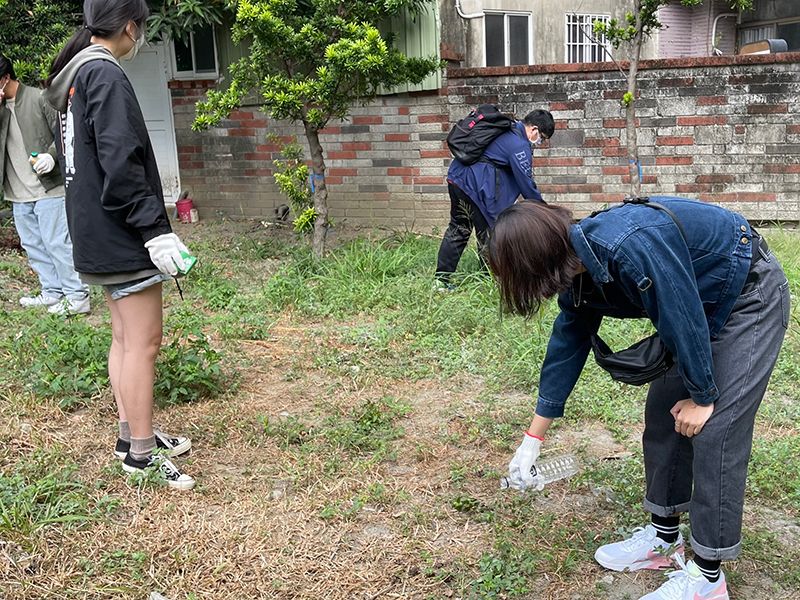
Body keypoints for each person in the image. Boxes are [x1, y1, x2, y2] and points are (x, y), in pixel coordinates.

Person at [488, 197, 789, 599]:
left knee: (715, 430)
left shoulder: (629, 246)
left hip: (747, 296)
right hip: (697, 304)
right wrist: (533, 439)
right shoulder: (577, 266)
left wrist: (703, 396)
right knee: (664, 412)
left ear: (534, 262)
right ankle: (663, 541)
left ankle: (708, 579)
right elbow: (568, 343)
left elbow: (680, 313)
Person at [45, 0, 195, 490]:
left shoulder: (76, 74)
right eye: (142, 29)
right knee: (144, 343)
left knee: (126, 340)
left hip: (93, 229)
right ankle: (142, 456)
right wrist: (154, 231)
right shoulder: (103, 74)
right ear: (130, 26)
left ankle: (130, 435)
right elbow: (121, 161)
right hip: (120, 231)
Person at [0, 54, 90, 314]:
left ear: (5, 79)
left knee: (57, 242)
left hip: (48, 187)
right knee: (33, 245)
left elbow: (65, 134)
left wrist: (51, 157)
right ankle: (52, 292)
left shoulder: (39, 98)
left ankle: (77, 295)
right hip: (17, 191)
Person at [435, 109, 555, 289]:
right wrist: (546, 212)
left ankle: (441, 281)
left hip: (458, 179)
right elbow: (526, 183)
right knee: (490, 234)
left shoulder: (506, 129)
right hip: (474, 187)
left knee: (459, 228)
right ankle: (487, 281)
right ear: (534, 129)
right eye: (542, 138)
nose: (540, 142)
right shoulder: (519, 144)